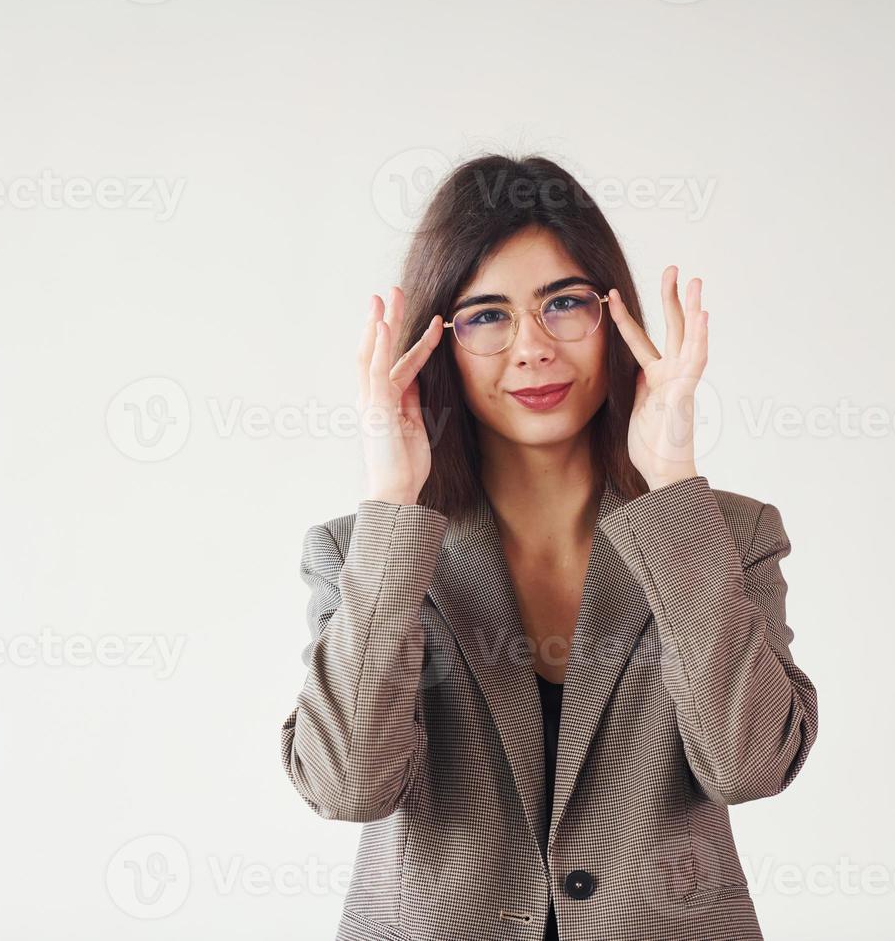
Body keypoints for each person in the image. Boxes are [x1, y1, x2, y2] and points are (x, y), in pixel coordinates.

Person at [279, 154, 818, 940]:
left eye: (564, 303)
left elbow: (749, 766)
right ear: (437, 346)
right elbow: (349, 786)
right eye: (487, 316)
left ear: (614, 318)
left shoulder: (724, 536)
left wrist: (669, 483)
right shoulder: (361, 549)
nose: (531, 347)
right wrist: (394, 504)